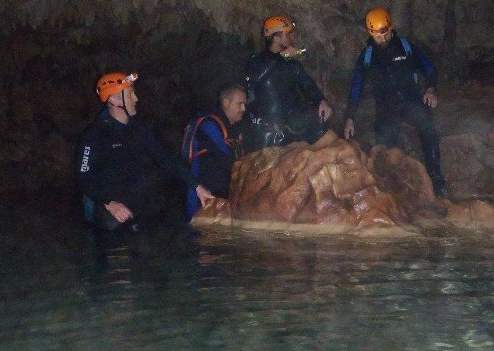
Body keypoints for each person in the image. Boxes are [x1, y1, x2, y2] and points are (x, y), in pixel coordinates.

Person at [76, 71, 214, 232]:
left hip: (134, 209)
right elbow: (83, 178)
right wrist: (110, 203)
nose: (136, 98)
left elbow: (166, 158)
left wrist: (197, 186)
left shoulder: (138, 130)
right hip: (106, 212)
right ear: (114, 99)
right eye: (131, 94)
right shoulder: (95, 134)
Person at [343, 7, 451, 197]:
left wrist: (431, 89)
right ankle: (395, 192)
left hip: (412, 102)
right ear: (370, 33)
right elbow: (356, 88)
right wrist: (350, 117)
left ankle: (436, 180)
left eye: (385, 33)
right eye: (377, 35)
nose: (382, 39)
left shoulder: (405, 47)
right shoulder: (367, 56)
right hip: (387, 109)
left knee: (428, 131)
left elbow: (429, 69)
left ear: (390, 28)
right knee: (387, 148)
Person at [244, 16, 333, 152]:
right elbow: (256, 77)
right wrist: (279, 57)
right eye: (287, 34)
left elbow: (307, 83)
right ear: (276, 38)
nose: (291, 36)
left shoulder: (291, 64)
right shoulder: (257, 61)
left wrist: (321, 100)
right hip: (268, 128)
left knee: (320, 116)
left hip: (292, 122)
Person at [182, 83, 246, 221]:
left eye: (244, 104)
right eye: (239, 104)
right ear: (226, 102)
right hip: (202, 198)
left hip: (223, 198)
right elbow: (225, 160)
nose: (243, 108)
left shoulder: (234, 129)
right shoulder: (209, 125)